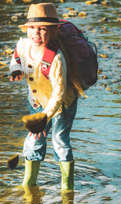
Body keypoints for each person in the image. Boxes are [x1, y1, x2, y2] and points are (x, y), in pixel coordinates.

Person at [9, 3, 80, 192]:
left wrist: (44, 118)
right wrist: (15, 70)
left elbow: (59, 93)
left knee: (59, 140)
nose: (36, 33)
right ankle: (29, 183)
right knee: (33, 140)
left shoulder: (56, 58)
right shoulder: (23, 45)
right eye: (32, 28)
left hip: (61, 104)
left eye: (43, 29)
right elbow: (16, 58)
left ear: (54, 31)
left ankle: (67, 186)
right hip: (37, 101)